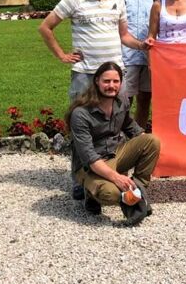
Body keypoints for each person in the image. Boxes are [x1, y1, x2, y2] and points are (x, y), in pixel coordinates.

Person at [38, 0, 149, 200]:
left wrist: (142, 45)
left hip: (114, 76)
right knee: (81, 128)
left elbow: (124, 36)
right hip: (86, 75)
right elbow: (45, 27)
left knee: (115, 126)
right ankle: (79, 178)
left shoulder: (118, 0)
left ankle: (110, 171)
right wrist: (61, 55)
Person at [67, 61, 162, 223]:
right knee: (112, 194)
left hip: (115, 154)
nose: (111, 86)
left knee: (152, 141)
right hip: (90, 165)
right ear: (96, 81)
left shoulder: (121, 102)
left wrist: (144, 142)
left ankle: (137, 189)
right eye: (106, 81)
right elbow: (89, 158)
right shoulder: (80, 114)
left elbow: (130, 126)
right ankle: (91, 193)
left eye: (116, 81)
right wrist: (117, 178)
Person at [119, 0, 163, 128]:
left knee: (145, 99)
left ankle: (139, 137)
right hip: (126, 57)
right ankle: (121, 136)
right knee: (124, 100)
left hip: (148, 58)